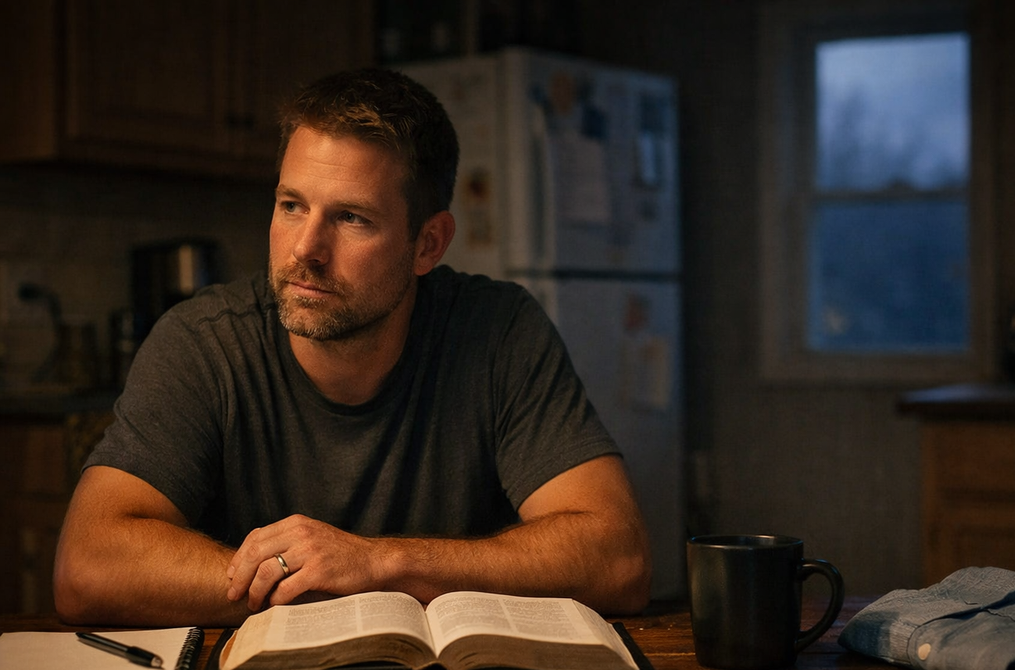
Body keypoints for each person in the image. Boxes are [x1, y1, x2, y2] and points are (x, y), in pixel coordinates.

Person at [53, 68, 652, 627]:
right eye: (292, 206)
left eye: (352, 219)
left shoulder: (500, 332)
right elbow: (87, 566)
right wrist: (302, 583)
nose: (304, 249)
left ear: (428, 244)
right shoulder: (202, 342)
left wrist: (380, 563)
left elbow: (617, 559)